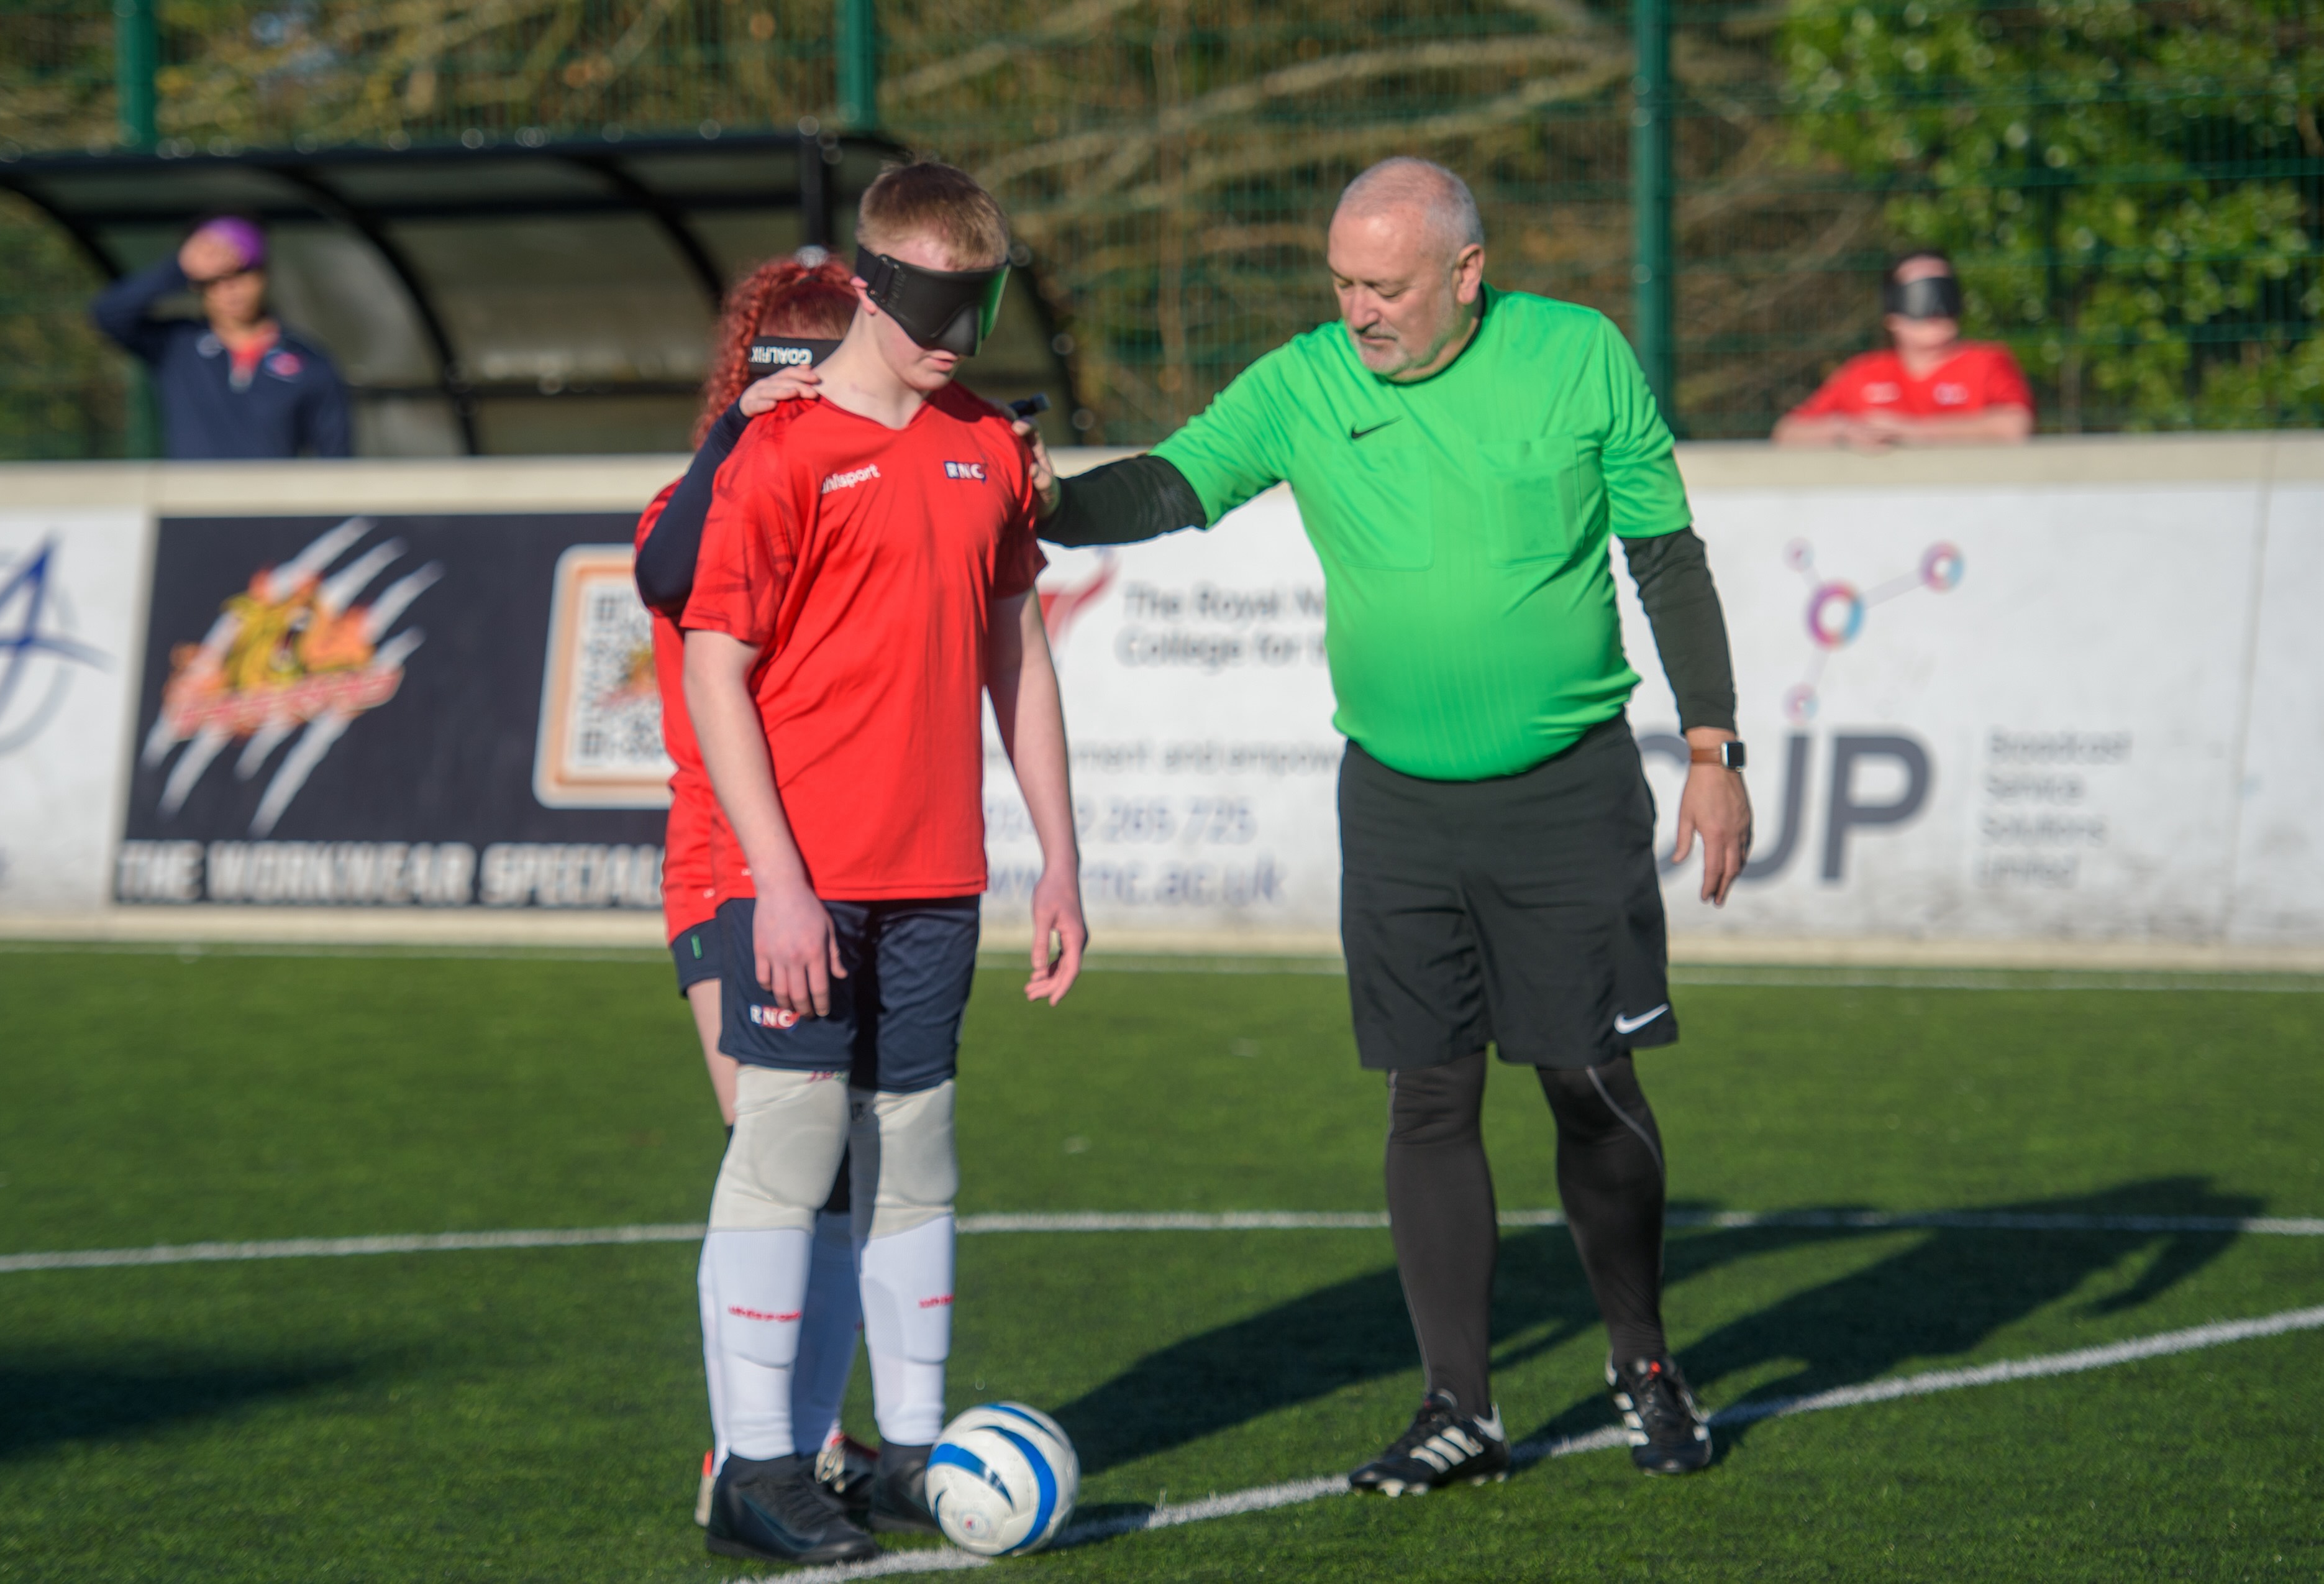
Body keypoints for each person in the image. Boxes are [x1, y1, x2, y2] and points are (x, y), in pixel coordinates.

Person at [1026, 157, 1753, 1491]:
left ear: (1466, 273)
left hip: (1566, 789)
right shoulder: (1303, 382)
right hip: (1397, 799)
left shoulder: (1578, 355)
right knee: (1429, 1094)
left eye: (1387, 285)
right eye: (1343, 282)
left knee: (1589, 1083)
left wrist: (1714, 745)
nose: (1360, 309)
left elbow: (1667, 557)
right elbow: (1171, 486)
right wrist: (1046, 499)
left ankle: (1642, 1357)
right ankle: (1457, 1404)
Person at [681, 159, 1086, 1565]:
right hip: (797, 878)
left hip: (937, 878)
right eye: (930, 310)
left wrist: (1059, 863)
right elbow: (713, 672)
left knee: (914, 1159)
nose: (955, 341)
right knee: (787, 1154)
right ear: (865, 285)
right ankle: (761, 1470)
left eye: (978, 311)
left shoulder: (985, 448)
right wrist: (779, 881)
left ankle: (907, 1451)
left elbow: (1017, 657)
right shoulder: (780, 453)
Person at [630, 255, 869, 1533]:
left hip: (847, 866)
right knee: (780, 1159)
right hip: (728, 865)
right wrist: (742, 431)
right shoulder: (701, 494)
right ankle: (746, 1458)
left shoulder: (851, 488)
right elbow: (669, 574)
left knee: (831, 1169)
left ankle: (807, 1439)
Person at [89, 214, 352, 460]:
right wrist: (180, 268)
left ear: (264, 275)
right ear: (199, 286)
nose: (230, 289)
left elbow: (337, 459)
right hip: (189, 506)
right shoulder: (177, 345)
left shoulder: (309, 361)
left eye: (242, 274)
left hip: (272, 506)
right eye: (215, 280)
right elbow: (108, 315)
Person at [1773, 249, 2034, 449]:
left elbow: (2014, 426)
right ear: (1892, 315)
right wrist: (1844, 430)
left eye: (1943, 292)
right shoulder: (1862, 372)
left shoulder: (1987, 362)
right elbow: (1788, 433)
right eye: (1920, 294)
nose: (1936, 309)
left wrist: (1912, 432)